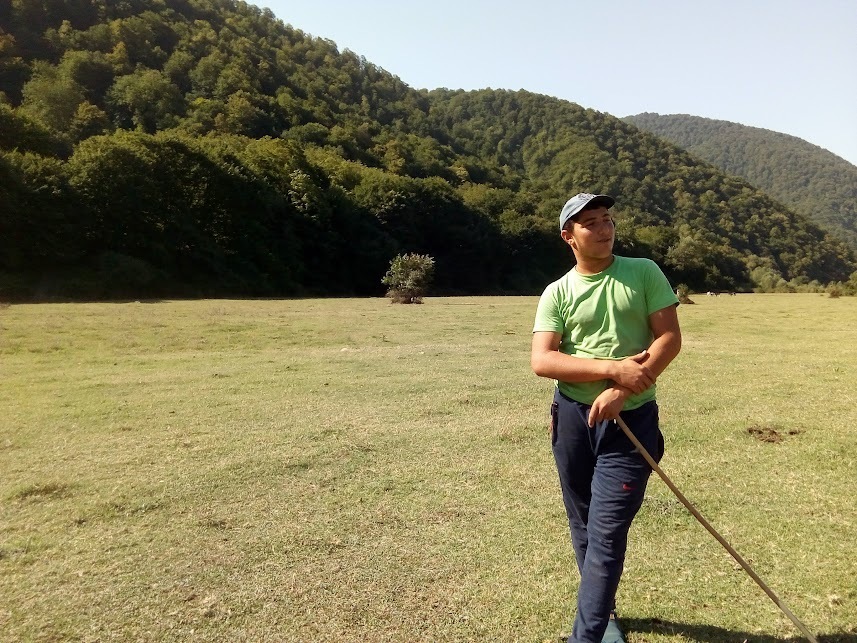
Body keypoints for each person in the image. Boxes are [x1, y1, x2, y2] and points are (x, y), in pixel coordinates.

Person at [530, 193, 682, 643]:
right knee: (583, 523)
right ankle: (606, 614)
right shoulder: (558, 292)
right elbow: (543, 360)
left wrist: (622, 390)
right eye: (590, 223)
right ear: (569, 237)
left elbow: (669, 338)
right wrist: (612, 369)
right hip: (573, 420)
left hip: (631, 423)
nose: (603, 229)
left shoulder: (643, 272)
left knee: (607, 531)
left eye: (607, 219)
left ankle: (587, 636)